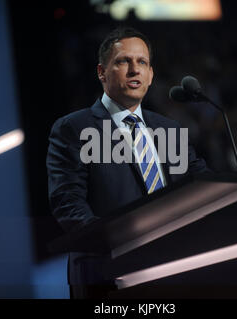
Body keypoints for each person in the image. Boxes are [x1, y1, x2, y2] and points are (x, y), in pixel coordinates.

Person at [47, 26, 208, 298]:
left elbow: (203, 187)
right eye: (124, 61)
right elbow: (68, 203)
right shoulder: (74, 128)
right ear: (101, 72)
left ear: (151, 74)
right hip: (108, 277)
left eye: (142, 62)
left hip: (174, 274)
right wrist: (121, 246)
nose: (135, 70)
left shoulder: (170, 130)